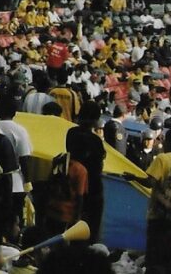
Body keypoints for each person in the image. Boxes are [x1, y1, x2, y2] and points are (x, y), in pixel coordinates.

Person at [126, 127, 171, 270]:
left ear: (169, 142)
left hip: (159, 215)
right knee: (170, 256)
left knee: (154, 254)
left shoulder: (163, 159)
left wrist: (133, 178)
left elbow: (150, 182)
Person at [64, 102, 105, 239]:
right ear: (95, 120)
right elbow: (99, 165)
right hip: (92, 189)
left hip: (71, 185)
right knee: (90, 231)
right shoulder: (95, 141)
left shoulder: (71, 133)